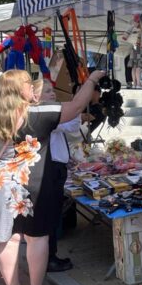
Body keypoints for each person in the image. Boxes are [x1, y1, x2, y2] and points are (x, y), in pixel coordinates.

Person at [0, 68, 104, 285]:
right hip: (35, 181)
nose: (31, 87)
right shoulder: (38, 114)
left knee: (8, 239)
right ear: (19, 89)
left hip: (2, 182)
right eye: (28, 83)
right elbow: (77, 106)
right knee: (37, 238)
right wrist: (91, 80)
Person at [34, 79, 94, 273]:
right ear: (36, 96)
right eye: (47, 91)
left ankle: (49, 256)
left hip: (55, 167)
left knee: (51, 214)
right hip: (49, 170)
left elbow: (72, 125)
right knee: (49, 216)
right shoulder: (45, 115)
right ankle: (49, 258)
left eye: (53, 90)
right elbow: (71, 124)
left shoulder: (48, 113)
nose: (53, 94)